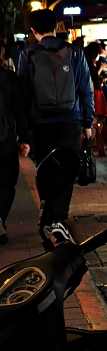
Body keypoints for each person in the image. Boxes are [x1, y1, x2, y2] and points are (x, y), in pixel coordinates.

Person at [17, 9, 94, 247]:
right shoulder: (74, 52)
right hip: (71, 120)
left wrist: (23, 128)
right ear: (56, 25)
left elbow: (23, 92)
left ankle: (49, 210)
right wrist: (88, 121)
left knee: (44, 168)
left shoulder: (27, 54)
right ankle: (58, 218)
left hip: (39, 122)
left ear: (32, 30)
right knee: (66, 168)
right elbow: (85, 89)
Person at [0, 66, 31, 245]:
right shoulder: (9, 78)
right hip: (5, 141)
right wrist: (24, 139)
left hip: (6, 141)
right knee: (7, 183)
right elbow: (20, 111)